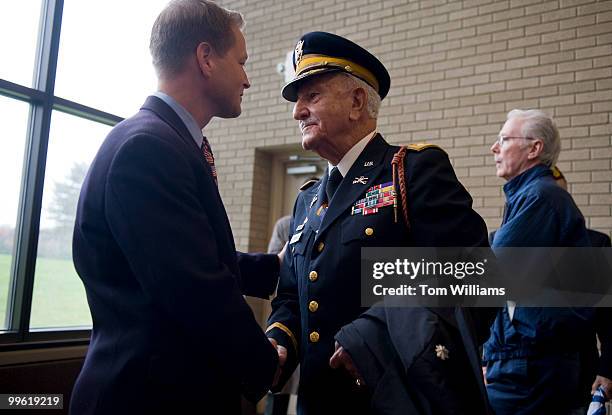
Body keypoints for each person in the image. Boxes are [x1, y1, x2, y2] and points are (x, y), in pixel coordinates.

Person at [266, 31, 493, 415]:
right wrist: (279, 342)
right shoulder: (307, 200)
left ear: (357, 102)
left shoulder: (412, 171)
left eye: (312, 96)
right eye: (297, 99)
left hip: (395, 400)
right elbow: (292, 294)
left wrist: (374, 334)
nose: (297, 111)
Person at [70, 1, 280, 414]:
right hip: (145, 397)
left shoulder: (161, 140)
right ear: (206, 58)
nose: (248, 79)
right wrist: (267, 362)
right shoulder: (148, 148)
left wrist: (274, 268)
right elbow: (194, 286)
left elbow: (182, 253)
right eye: (241, 62)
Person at [483, 109, 611, 414]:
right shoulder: (526, 198)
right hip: (521, 363)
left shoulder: (541, 198)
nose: (494, 147)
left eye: (503, 138)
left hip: (529, 368)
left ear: (534, 148)